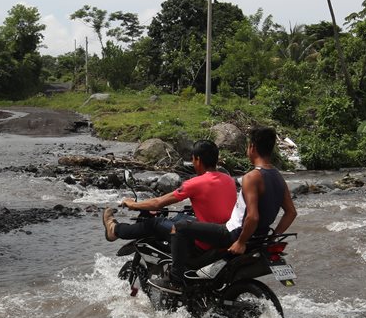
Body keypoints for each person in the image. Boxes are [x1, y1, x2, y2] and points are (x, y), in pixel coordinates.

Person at [150, 126, 297, 294]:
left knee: (181, 227)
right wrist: (273, 236)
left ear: (252, 147)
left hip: (232, 233)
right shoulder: (278, 176)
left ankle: (175, 281)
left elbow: (253, 216)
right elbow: (291, 212)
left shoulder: (252, 177)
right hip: (259, 236)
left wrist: (241, 241)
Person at [102, 139, 236, 245]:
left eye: (193, 159)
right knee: (183, 215)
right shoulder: (228, 179)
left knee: (155, 223)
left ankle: (114, 229)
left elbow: (157, 203)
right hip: (222, 235)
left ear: (198, 160)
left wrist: (132, 204)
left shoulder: (196, 183)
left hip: (204, 240)